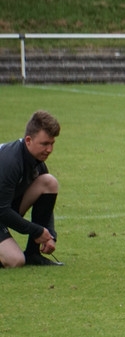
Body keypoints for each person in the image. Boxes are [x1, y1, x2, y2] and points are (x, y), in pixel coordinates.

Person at [0, 111, 62, 268]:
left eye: (52, 143)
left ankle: (33, 253)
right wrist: (37, 231)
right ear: (28, 140)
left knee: (49, 182)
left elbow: (46, 202)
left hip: (3, 208)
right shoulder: (10, 161)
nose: (49, 149)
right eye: (44, 144)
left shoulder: (36, 161)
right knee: (15, 260)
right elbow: (2, 211)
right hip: (1, 209)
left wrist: (50, 235)